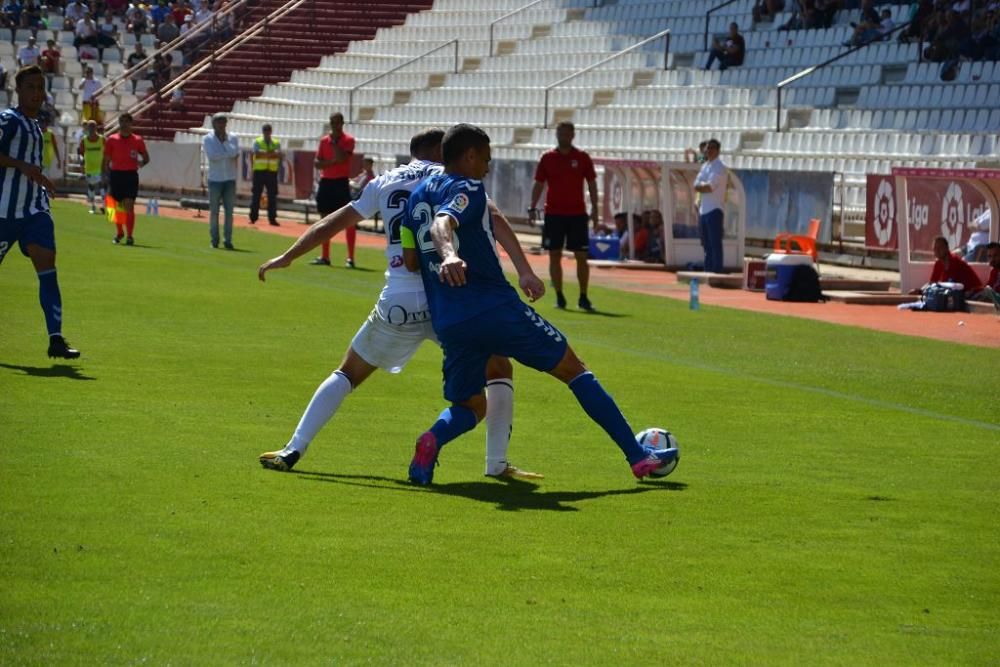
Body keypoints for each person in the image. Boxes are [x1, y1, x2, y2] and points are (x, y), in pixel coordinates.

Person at [400, 123, 678, 485]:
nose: (487, 166)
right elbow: (442, 225)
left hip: (449, 319)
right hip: (494, 308)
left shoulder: (415, 197)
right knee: (575, 369)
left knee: (470, 405)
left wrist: (446, 261)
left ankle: (431, 441)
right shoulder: (467, 187)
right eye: (485, 158)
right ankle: (638, 456)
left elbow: (409, 259)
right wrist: (450, 254)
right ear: (469, 156)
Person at [257, 128, 542, 480]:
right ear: (442, 151)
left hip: (398, 301)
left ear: (412, 153)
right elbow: (494, 218)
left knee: (348, 372)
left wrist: (288, 255)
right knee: (499, 369)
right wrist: (524, 270)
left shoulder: (384, 181)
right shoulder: (449, 178)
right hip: (448, 298)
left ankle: (293, 447)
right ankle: (496, 463)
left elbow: (334, 221)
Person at [0, 65, 81, 359]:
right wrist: (22, 166)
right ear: (18, 91)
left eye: (40, 87)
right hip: (4, 212)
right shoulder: (8, 119)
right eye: (30, 87)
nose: (36, 93)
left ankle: (55, 339)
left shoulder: (36, 126)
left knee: (48, 267)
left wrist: (39, 180)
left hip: (34, 209)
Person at [528, 121, 598, 311]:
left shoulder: (582, 157)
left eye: (567, 133)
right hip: (554, 214)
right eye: (561, 133)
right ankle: (559, 295)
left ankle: (583, 296)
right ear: (557, 135)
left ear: (572, 135)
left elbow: (592, 184)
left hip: (577, 214)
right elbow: (539, 184)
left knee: (581, 256)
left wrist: (596, 210)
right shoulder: (547, 158)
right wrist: (532, 207)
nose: (564, 136)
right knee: (554, 255)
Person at [311, 112, 356, 267]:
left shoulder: (348, 140)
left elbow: (343, 158)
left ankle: (350, 258)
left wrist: (335, 144)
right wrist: (331, 162)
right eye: (332, 122)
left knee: (348, 220)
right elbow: (317, 163)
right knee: (324, 220)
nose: (335, 126)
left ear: (342, 123)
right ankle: (325, 256)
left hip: (341, 183)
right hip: (326, 182)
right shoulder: (324, 141)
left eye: (337, 123)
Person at [102, 111, 149, 245]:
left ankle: (129, 236)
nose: (123, 124)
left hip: (130, 176)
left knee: (129, 205)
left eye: (126, 121)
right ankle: (119, 232)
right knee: (112, 208)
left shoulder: (137, 140)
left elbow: (146, 158)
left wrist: (140, 163)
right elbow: (106, 160)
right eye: (121, 121)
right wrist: (105, 175)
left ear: (131, 123)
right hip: (115, 175)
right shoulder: (112, 139)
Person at [202, 112, 239, 249]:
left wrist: (224, 145)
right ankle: (214, 240)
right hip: (215, 179)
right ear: (214, 124)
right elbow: (212, 156)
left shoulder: (233, 138)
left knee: (229, 212)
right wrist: (227, 153)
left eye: (224, 122)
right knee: (214, 212)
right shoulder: (207, 139)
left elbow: (235, 153)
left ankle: (227, 240)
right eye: (219, 122)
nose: (222, 125)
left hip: (230, 179)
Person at [693, 138, 727, 273]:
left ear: (718, 151)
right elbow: (696, 183)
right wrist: (701, 186)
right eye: (707, 148)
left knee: (715, 243)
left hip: (714, 209)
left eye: (712, 148)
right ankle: (708, 270)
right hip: (704, 210)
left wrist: (700, 186)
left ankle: (717, 271)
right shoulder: (705, 166)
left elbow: (709, 187)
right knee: (706, 244)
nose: (708, 151)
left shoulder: (719, 166)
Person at [911, 235, 985, 295]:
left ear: (947, 248)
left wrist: (923, 292)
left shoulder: (954, 262)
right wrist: (920, 291)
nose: (937, 251)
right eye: (935, 249)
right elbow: (932, 283)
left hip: (974, 293)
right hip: (961, 294)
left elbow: (948, 286)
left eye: (940, 248)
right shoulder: (938, 263)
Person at [248, 123, 280, 226]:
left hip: (271, 172)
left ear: (271, 131)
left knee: (272, 196)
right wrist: (271, 153)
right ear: (263, 131)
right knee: (256, 195)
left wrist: (264, 153)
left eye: (268, 130)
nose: (267, 132)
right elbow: (256, 153)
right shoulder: (257, 141)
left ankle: (272, 218)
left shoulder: (276, 142)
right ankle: (253, 218)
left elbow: (278, 154)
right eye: (265, 130)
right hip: (259, 171)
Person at [78, 119, 105, 214]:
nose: (92, 129)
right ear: (87, 128)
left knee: (102, 185)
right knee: (91, 187)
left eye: (93, 126)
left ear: (96, 127)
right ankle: (93, 206)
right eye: (90, 127)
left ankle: (103, 205)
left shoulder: (102, 139)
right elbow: (80, 153)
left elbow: (107, 152)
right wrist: (81, 160)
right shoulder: (84, 140)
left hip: (100, 167)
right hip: (89, 167)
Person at [971, 242, 1000, 311]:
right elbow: (989, 289)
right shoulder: (994, 271)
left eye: (995, 255)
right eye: (990, 256)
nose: (992, 259)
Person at [38, 112, 60, 180]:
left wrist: (59, 160)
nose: (42, 124)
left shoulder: (50, 134)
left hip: (46, 160)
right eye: (41, 122)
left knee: (44, 178)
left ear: (47, 124)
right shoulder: (37, 133)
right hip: (37, 159)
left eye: (44, 122)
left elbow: (55, 147)